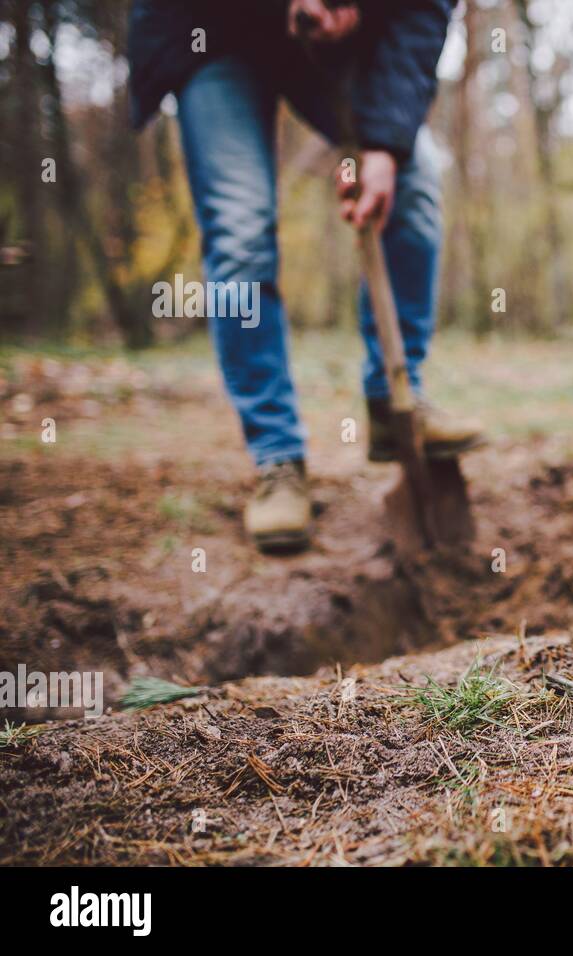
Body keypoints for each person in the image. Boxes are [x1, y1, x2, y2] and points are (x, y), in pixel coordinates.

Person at [127, 0, 481, 553]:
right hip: (206, 31)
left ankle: (396, 402)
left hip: (333, 38)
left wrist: (383, 146)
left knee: (414, 177)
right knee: (241, 235)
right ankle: (278, 460)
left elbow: (422, 13)